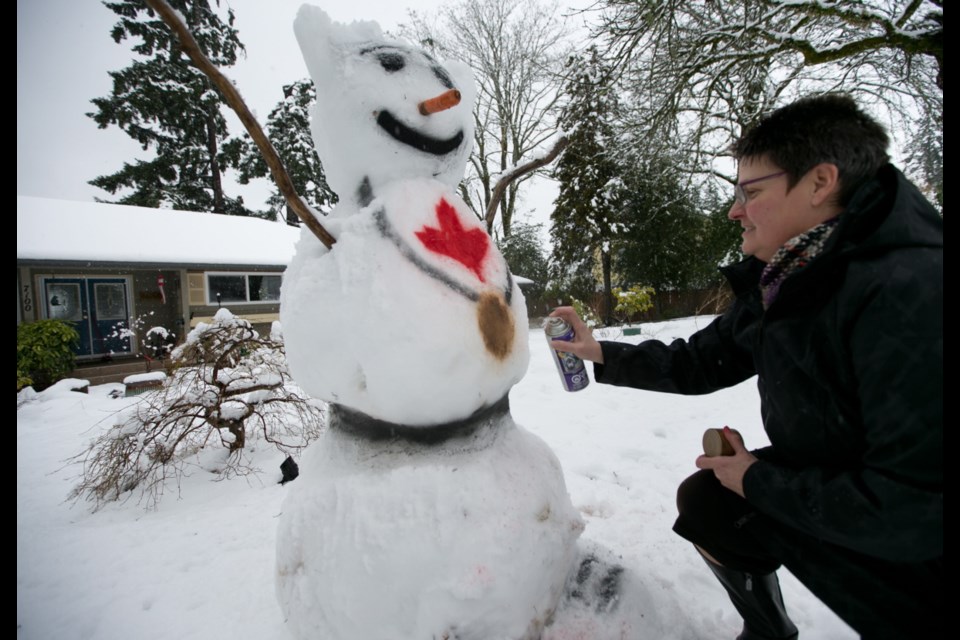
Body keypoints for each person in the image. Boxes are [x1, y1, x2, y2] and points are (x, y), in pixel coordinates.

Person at [550, 93, 942, 639]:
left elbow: (911, 507)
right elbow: (700, 360)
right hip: (840, 489)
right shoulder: (790, 275)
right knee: (711, 502)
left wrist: (759, 481)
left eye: (751, 192)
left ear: (820, 182)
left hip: (910, 538)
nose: (735, 210)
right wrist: (600, 352)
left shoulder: (909, 290)